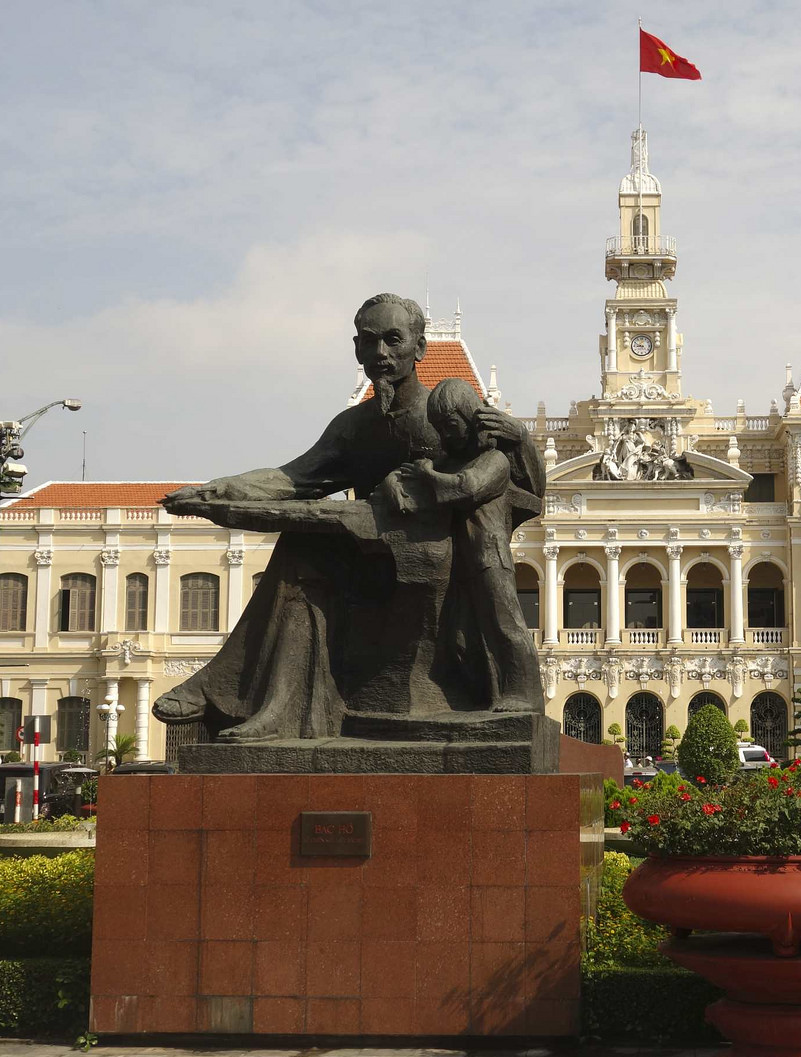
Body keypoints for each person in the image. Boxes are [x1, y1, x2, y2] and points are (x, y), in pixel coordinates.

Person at [154, 293, 544, 742]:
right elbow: (292, 477)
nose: (381, 354)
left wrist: (510, 445)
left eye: (393, 341)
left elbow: (517, 480)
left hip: (442, 560)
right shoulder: (353, 426)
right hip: (369, 556)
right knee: (302, 550)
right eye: (369, 342)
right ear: (357, 348)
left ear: (419, 349)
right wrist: (217, 490)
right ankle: (275, 710)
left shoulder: (445, 412)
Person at [392, 378, 544, 714]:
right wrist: (397, 481)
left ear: (470, 418)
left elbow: (466, 487)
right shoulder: (452, 462)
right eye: (440, 429)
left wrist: (427, 474)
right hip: (460, 560)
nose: (445, 436)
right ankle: (486, 693)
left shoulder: (495, 461)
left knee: (505, 624)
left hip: (489, 557)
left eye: (450, 426)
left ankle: (525, 694)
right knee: (462, 636)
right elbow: (411, 478)